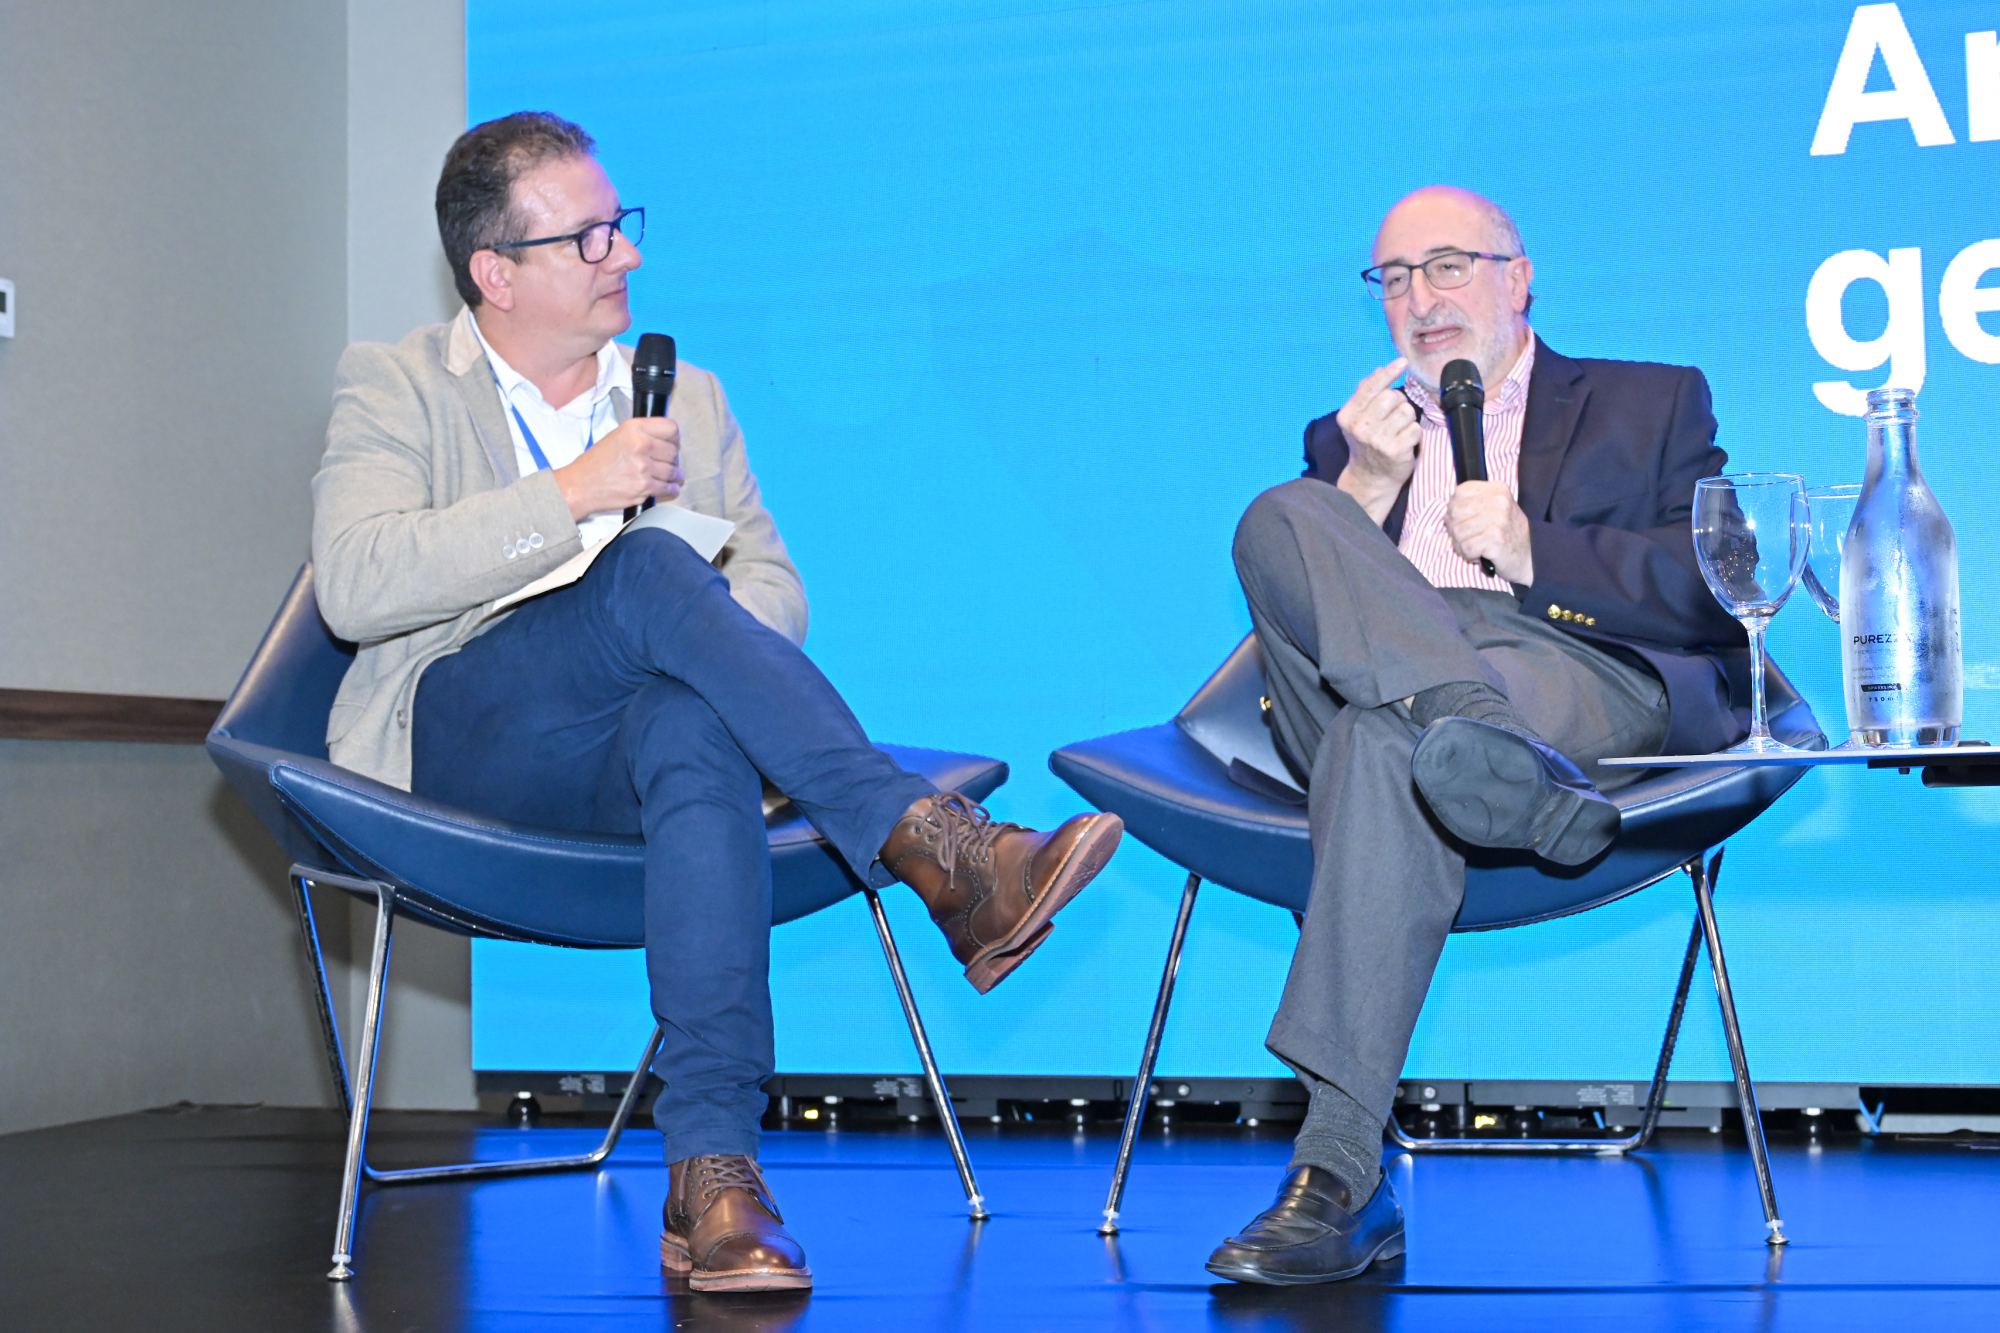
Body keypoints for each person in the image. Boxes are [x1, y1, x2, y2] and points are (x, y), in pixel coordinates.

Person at [311, 111, 1124, 1294]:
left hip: (628, 756)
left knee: (690, 718)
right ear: (496, 272)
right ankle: (937, 849)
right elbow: (356, 581)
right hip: (465, 740)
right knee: (648, 567)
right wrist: (573, 494)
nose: (627, 255)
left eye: (621, 227)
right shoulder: (394, 384)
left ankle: (712, 1171)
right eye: (589, 238)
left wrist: (687, 625)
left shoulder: (686, 393)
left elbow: (775, 589)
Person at [1206, 185, 1746, 1285]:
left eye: (1447, 265)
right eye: (1395, 278)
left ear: (1518, 277)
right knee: (1277, 513)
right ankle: (1481, 745)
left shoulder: (1648, 401)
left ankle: (1335, 1174)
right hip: (1392, 690)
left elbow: (1717, 588)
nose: (1421, 298)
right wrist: (1362, 492)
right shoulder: (1345, 437)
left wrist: (1537, 549)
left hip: (1563, 669)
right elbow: (1304, 607)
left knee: (1382, 749)